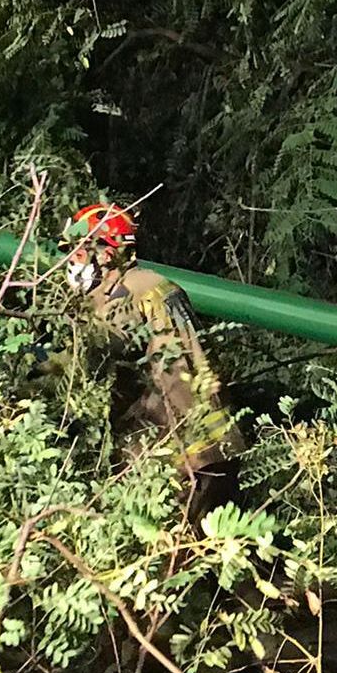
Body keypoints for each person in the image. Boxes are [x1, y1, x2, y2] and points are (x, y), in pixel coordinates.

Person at [61, 203, 244, 518]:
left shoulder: (130, 296)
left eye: (78, 252)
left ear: (106, 253)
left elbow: (91, 361)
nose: (70, 261)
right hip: (212, 449)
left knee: (180, 555)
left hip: (183, 461)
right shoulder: (145, 286)